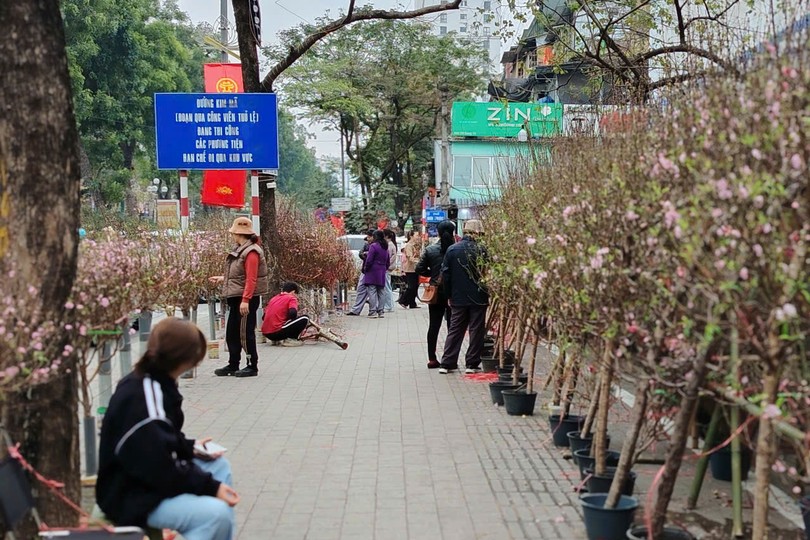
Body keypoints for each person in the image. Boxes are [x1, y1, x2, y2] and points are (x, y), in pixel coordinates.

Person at [96, 317, 239, 540]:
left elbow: (159, 441)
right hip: (130, 494)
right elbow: (159, 465)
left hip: (143, 479)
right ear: (188, 359)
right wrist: (210, 487)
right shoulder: (145, 395)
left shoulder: (152, 380)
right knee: (216, 515)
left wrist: (189, 447)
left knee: (219, 466)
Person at [211, 217, 268, 378]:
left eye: (233, 233)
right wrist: (223, 279)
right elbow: (240, 276)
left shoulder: (251, 252)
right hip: (237, 298)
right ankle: (233, 363)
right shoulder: (241, 250)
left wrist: (246, 300)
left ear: (238, 234)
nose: (232, 236)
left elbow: (251, 278)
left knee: (245, 334)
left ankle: (251, 365)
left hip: (246, 299)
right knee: (232, 333)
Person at [438, 219, 489, 374]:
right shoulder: (482, 250)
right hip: (478, 297)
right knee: (476, 330)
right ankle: (471, 364)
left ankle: (447, 362)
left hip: (458, 297)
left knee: (455, 329)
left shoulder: (452, 249)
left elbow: (446, 275)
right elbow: (487, 273)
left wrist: (449, 295)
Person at [416, 220, 456, 369]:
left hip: (436, 292)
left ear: (438, 233)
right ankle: (450, 359)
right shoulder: (456, 249)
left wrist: (432, 275)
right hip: (454, 292)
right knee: (453, 327)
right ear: (453, 232)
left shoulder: (430, 250)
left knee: (434, 326)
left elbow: (419, 268)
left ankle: (432, 359)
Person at [261, 282, 311, 347]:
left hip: (266, 333)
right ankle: (291, 339)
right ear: (293, 292)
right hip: (277, 331)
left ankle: (276, 340)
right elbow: (293, 314)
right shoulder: (291, 298)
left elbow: (263, 317)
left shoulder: (273, 299)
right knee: (305, 318)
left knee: (285, 322)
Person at [346, 229, 375, 316]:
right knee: (361, 289)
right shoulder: (366, 245)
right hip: (365, 270)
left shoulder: (376, 246)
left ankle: (374, 310)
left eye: (369, 237)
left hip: (371, 271)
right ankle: (356, 310)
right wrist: (365, 255)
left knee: (372, 291)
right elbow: (361, 253)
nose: (368, 239)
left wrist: (366, 255)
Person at [363, 229, 389, 318]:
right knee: (381, 291)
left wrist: (366, 268)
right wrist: (384, 268)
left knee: (372, 290)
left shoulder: (373, 246)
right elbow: (388, 260)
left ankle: (372, 311)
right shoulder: (385, 246)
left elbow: (369, 259)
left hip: (373, 270)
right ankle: (381, 311)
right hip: (382, 270)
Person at [398, 230, 423, 309]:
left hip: (416, 269)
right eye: (416, 235)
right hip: (410, 269)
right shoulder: (408, 245)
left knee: (415, 286)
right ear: (411, 236)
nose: (418, 237)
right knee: (411, 286)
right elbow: (410, 257)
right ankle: (403, 300)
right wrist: (418, 261)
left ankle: (412, 303)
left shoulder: (416, 245)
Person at [383, 229, 397, 312]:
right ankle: (390, 305)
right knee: (387, 286)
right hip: (388, 267)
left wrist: (386, 264)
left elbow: (391, 258)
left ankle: (388, 306)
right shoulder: (391, 244)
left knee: (387, 287)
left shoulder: (390, 245)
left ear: (386, 236)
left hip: (387, 268)